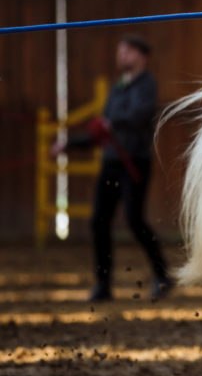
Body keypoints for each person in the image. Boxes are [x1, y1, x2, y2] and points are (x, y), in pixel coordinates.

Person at [52, 34, 172, 302]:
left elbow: (138, 116)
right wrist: (69, 144)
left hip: (134, 162)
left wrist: (110, 123)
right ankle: (103, 284)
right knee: (99, 222)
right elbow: (102, 128)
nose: (122, 56)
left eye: (127, 51)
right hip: (110, 163)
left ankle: (162, 275)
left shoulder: (146, 85)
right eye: (121, 51)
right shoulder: (117, 88)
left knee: (134, 220)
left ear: (142, 56)